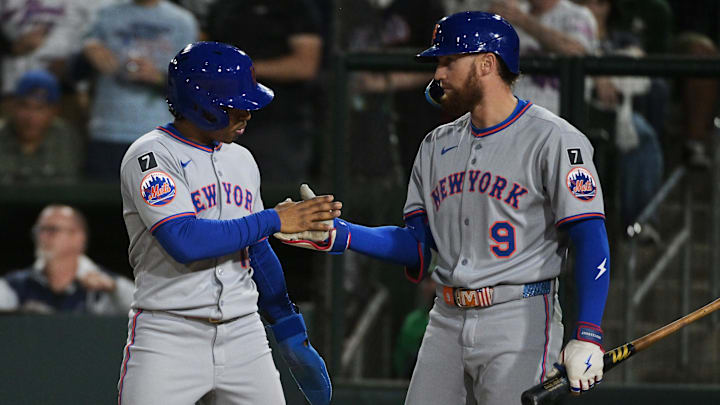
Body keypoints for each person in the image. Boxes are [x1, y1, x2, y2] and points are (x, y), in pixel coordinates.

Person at [277, 12, 610, 404]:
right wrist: (341, 234)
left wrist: (588, 333)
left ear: (487, 63)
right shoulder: (436, 145)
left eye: (449, 61)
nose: (438, 73)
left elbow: (590, 237)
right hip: (446, 318)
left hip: (518, 316)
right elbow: (417, 246)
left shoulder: (553, 138)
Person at [117, 41, 338, 405]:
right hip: (169, 332)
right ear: (202, 105)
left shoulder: (242, 159)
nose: (247, 114)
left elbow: (256, 249)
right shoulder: (151, 154)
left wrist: (288, 326)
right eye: (235, 105)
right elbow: (185, 240)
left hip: (243, 333)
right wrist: (275, 219)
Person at [204, 0, 323, 183]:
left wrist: (244, 69)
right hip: (223, 123)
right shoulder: (224, 7)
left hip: (277, 124)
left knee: (277, 197)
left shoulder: (295, 6)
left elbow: (305, 65)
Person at [82, 0, 198, 180]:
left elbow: (192, 88)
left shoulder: (182, 21)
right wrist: (86, 53)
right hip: (107, 129)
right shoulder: (105, 15)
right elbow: (75, 72)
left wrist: (158, 78)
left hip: (159, 134)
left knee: (156, 205)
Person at [0, 205, 134, 315]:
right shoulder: (17, 284)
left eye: (52, 230)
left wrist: (113, 289)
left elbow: (143, 309)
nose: (43, 236)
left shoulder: (105, 286)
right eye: (40, 230)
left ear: (78, 237)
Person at [489, 0, 598, 116]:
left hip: (559, 118)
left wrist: (524, 21)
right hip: (507, 117)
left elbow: (576, 52)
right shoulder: (509, 11)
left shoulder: (578, 15)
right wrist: (488, 23)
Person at [0, 69, 83, 184]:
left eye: (40, 108)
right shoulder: (2, 134)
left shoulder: (68, 139)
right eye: (24, 106)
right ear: (13, 107)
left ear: (54, 111)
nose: (30, 117)